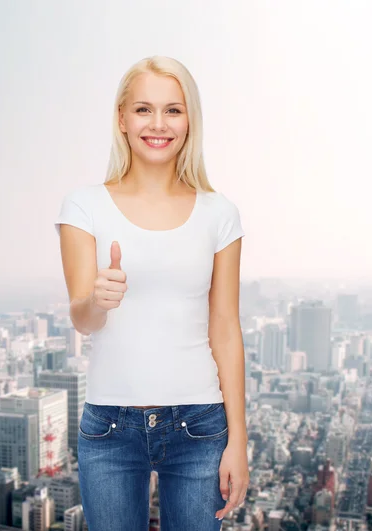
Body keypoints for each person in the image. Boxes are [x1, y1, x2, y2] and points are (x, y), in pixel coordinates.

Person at [54, 56, 249, 530]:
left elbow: (225, 327)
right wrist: (99, 299)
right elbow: (83, 318)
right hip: (110, 426)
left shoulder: (219, 213)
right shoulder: (84, 206)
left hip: (199, 423)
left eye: (173, 110)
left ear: (189, 121)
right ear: (122, 119)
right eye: (143, 109)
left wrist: (238, 440)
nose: (158, 124)